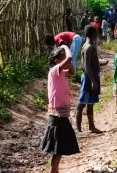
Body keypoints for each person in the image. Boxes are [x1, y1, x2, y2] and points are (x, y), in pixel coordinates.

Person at [41, 45, 79, 173]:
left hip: (61, 113)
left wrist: (68, 62)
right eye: (62, 58)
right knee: (57, 146)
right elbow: (69, 58)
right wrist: (65, 46)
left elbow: (72, 71)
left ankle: (55, 170)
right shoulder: (54, 71)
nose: (66, 61)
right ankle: (53, 171)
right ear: (57, 61)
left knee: (60, 144)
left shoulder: (61, 73)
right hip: (57, 113)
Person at [76, 25, 102, 135]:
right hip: (88, 78)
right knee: (82, 103)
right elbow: (87, 66)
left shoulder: (90, 46)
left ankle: (91, 126)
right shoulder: (88, 48)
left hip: (91, 77)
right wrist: (93, 81)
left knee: (90, 102)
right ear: (93, 35)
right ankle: (78, 130)